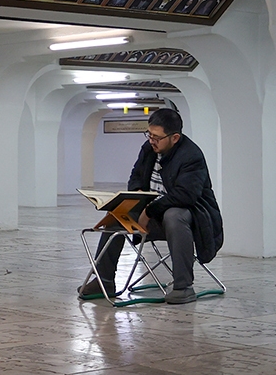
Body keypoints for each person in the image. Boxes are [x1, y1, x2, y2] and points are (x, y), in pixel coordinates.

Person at [80, 108, 223, 304]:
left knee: (174, 215)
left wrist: (149, 210)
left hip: (190, 218)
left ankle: (183, 287)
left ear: (174, 138)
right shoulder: (148, 149)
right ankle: (103, 281)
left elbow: (186, 196)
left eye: (157, 137)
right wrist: (137, 194)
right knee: (117, 215)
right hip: (152, 215)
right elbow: (136, 176)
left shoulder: (191, 156)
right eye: (149, 134)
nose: (151, 140)